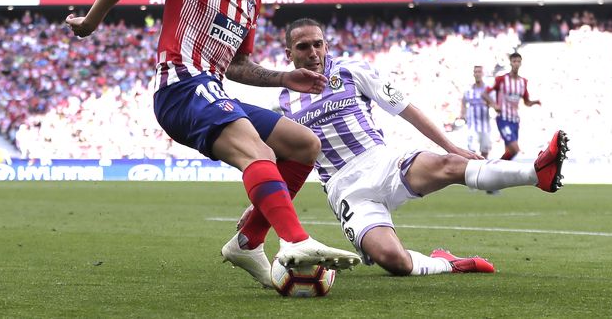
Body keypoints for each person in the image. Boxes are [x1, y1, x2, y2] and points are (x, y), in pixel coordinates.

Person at [65, 0, 360, 289]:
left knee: (304, 145)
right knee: (259, 154)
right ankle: (296, 240)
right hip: (181, 88)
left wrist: (285, 78)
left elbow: (237, 65)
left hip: (214, 89)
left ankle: (248, 242)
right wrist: (91, 22)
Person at [238, 18, 569, 277]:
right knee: (394, 261)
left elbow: (405, 108)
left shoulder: (352, 70)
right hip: (346, 190)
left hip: (382, 162)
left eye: (318, 44)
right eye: (303, 46)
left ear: (327, 45)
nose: (313, 52)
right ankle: (448, 263)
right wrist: (260, 206)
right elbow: (277, 160)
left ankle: (536, 172)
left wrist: (451, 145)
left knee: (449, 165)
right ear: (288, 54)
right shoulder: (283, 99)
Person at [482, 52, 541, 161]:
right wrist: (494, 105)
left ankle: (500, 171)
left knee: (509, 153)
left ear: (521, 63)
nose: (516, 64)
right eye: (514, 61)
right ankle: (498, 168)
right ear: (510, 63)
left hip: (515, 121)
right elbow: (484, 93)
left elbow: (526, 102)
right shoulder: (501, 79)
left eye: (518, 61)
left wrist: (535, 102)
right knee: (516, 150)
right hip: (503, 119)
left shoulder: (523, 82)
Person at [461, 65, 492, 159]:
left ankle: (484, 169)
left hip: (485, 124)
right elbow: (463, 102)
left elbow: (493, 103)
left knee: (485, 150)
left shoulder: (488, 89)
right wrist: (463, 114)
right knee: (471, 151)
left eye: (479, 72)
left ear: (482, 74)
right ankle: (474, 170)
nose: (477, 74)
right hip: (472, 125)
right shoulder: (468, 90)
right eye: (476, 72)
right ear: (473, 74)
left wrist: (487, 102)